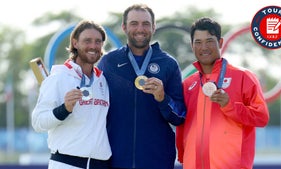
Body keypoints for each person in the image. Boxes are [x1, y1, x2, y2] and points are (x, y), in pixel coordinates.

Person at [97, 4, 186, 169]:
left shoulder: (168, 64)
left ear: (153, 27)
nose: (140, 29)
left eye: (145, 24)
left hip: (157, 160)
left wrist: (162, 98)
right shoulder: (109, 62)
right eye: (134, 23)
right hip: (114, 159)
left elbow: (180, 116)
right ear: (124, 27)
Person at [176, 17, 270, 169]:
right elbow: (182, 124)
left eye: (209, 41)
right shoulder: (188, 84)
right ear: (192, 46)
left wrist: (229, 105)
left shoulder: (243, 77)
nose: (203, 47)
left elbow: (261, 117)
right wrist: (182, 156)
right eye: (198, 42)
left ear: (220, 42)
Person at [31, 20, 111, 169]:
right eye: (87, 41)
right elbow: (38, 122)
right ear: (75, 43)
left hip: (100, 164)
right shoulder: (58, 78)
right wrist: (65, 109)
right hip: (66, 163)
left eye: (98, 41)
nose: (93, 46)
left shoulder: (103, 80)